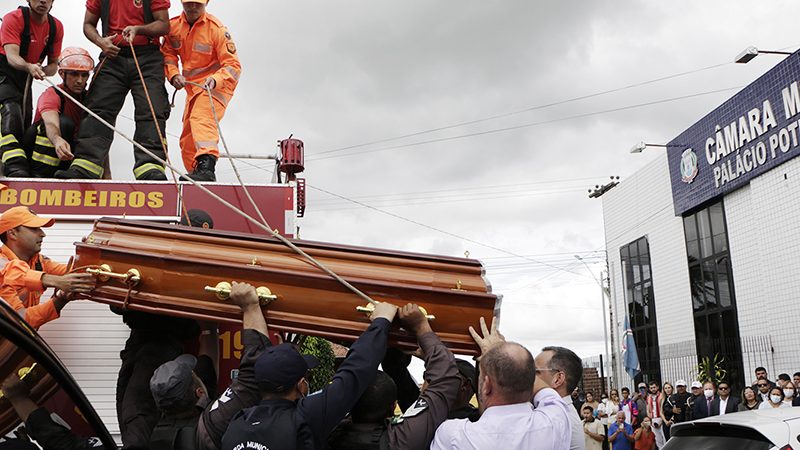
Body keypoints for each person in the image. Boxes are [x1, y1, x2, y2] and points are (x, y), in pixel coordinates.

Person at [221, 300, 399, 449]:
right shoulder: (303, 418)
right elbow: (354, 372)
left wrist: (250, 307)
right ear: (300, 385)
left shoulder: (236, 423)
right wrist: (381, 321)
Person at [113, 210, 213, 449]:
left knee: (136, 412)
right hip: (140, 346)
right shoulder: (161, 254)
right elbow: (117, 306)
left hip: (161, 349)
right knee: (129, 409)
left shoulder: (201, 265)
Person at [55, 0, 171, 180]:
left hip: (147, 57)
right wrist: (101, 42)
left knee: (152, 110)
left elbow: (164, 25)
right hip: (113, 56)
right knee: (97, 109)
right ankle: (86, 166)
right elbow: (88, 24)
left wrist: (138, 29)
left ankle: (150, 167)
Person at [147, 281, 268, 450]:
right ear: (200, 393)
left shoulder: (158, 430)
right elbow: (253, 376)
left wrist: (209, 330)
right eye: (194, 375)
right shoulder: (213, 423)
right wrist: (250, 307)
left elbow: (205, 372)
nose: (199, 372)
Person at [328, 303, 462, 450]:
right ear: (394, 406)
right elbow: (445, 378)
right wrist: (422, 327)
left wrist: (378, 327)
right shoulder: (402, 440)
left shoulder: (321, 431)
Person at [431, 317, 571, 450]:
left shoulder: (453, 436)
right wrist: (498, 352)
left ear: (487, 385)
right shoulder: (555, 422)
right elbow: (541, 388)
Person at [161, 0, 241, 182]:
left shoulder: (216, 29)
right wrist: (173, 75)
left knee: (201, 119)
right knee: (187, 137)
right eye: (189, 3)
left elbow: (233, 65)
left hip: (218, 86)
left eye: (197, 3)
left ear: (206, 3)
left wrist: (215, 79)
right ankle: (195, 173)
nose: (193, 7)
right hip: (193, 89)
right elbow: (168, 54)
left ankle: (207, 167)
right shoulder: (173, 27)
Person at [0, 206, 95, 329]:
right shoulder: (3, 264)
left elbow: (74, 271)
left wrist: (91, 256)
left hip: (17, 345)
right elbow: (21, 321)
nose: (43, 234)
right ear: (12, 233)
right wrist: (56, 281)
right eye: (34, 229)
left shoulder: (38, 262)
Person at [0, 0, 63, 177]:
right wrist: (29, 66)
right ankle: (14, 167)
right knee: (10, 113)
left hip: (26, 79)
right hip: (4, 73)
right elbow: (12, 57)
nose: (43, 1)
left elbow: (53, 66)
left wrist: (42, 70)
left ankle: (28, 167)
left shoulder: (55, 27)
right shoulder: (13, 18)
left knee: (25, 121)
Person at [24, 47, 93, 177]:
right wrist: (57, 140)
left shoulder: (89, 100)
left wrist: (107, 177)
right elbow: (51, 123)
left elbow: (100, 136)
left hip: (71, 157)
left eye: (84, 75)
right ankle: (40, 177)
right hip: (41, 157)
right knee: (64, 123)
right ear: (62, 74)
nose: (80, 80)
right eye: (74, 74)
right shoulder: (52, 94)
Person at [534, 345, 586, 450]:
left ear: (558, 379)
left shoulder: (558, 419)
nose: (529, 376)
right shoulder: (556, 412)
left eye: (536, 372)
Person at [644, 381, 664, 448]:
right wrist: (651, 420)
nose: (653, 389)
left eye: (654, 387)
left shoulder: (662, 395)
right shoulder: (648, 397)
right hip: (653, 420)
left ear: (658, 387)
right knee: (657, 440)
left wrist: (662, 420)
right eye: (651, 388)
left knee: (664, 438)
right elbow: (648, 409)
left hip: (662, 418)